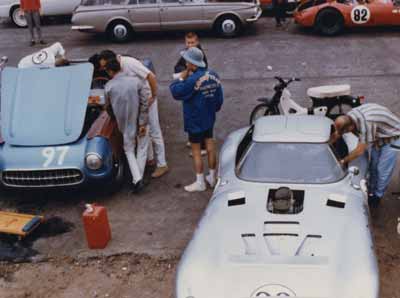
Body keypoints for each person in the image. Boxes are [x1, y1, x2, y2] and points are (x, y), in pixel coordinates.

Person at [98, 50, 169, 179]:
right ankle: (150, 159)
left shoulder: (129, 63)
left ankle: (162, 164)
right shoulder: (117, 70)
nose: (104, 69)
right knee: (142, 131)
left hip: (147, 98)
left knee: (154, 130)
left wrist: (153, 95)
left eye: (105, 66)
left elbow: (151, 76)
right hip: (136, 99)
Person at [170, 47, 223, 192]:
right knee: (210, 147)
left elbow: (175, 91)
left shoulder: (191, 79)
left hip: (195, 120)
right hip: (209, 117)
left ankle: (200, 182)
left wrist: (181, 77)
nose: (186, 63)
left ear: (192, 64)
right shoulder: (214, 75)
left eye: (187, 61)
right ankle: (212, 177)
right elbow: (219, 100)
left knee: (196, 151)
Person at [332, 103, 400, 208]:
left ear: (351, 126)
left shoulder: (366, 124)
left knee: (382, 169)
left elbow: (359, 151)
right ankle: (371, 191)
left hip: (394, 136)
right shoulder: (349, 117)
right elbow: (338, 133)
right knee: (373, 165)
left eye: (347, 131)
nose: (348, 133)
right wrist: (330, 143)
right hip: (379, 135)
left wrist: (342, 161)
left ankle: (377, 196)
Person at [104, 59, 149, 193]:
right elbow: (145, 102)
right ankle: (138, 178)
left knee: (129, 150)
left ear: (110, 71)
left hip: (124, 123)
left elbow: (108, 107)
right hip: (140, 120)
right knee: (142, 147)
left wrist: (115, 118)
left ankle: (137, 179)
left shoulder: (109, 86)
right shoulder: (136, 82)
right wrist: (143, 122)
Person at [174, 32, 208, 156]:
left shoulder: (199, 55)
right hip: (189, 87)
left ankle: (201, 146)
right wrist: (184, 71)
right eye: (188, 43)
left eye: (192, 42)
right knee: (190, 116)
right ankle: (193, 140)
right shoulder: (187, 54)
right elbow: (177, 66)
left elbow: (203, 70)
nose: (190, 45)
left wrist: (185, 75)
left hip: (196, 88)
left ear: (197, 42)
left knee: (198, 118)